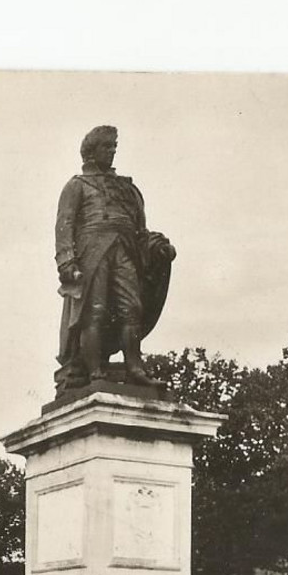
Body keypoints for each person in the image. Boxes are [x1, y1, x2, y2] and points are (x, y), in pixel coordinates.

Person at [53, 125, 176, 395]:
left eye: (113, 148)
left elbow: (140, 230)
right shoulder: (77, 186)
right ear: (91, 152)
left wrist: (157, 247)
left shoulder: (127, 189)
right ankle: (94, 370)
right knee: (94, 311)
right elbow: (65, 226)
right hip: (92, 253)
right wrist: (66, 262)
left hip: (124, 250)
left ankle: (135, 368)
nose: (111, 152)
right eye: (106, 147)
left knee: (131, 308)